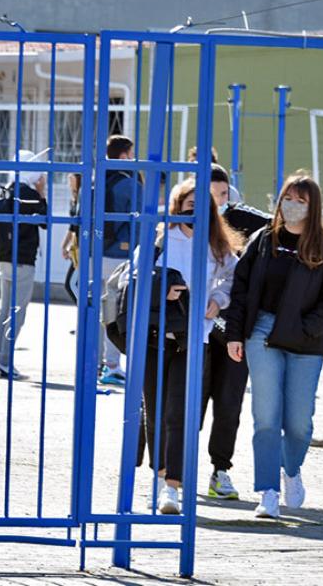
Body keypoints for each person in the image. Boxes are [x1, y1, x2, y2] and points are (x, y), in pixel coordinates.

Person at [226, 171, 323, 519]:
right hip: (261, 334)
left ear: (314, 207)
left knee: (299, 423)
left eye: (301, 201)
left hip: (306, 343)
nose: (292, 206)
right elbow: (240, 289)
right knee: (265, 416)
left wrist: (306, 328)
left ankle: (290, 470)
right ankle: (267, 491)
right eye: (288, 199)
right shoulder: (263, 240)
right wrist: (235, 333)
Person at [141, 178, 239, 515]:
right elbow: (137, 277)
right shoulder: (159, 237)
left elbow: (231, 276)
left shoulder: (217, 244)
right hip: (156, 336)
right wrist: (161, 292)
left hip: (194, 338)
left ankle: (173, 488)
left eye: (200, 204)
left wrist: (218, 297)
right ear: (177, 205)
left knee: (178, 413)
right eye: (187, 202)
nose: (193, 209)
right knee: (154, 411)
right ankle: (161, 475)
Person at [204, 163, 270, 500]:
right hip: (197, 329)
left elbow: (280, 228)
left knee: (229, 404)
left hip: (235, 327)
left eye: (223, 194)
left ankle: (221, 470)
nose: (218, 202)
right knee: (188, 402)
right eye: (211, 195)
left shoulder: (247, 220)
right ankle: (173, 473)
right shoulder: (185, 220)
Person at [0, 150, 48, 380]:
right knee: (17, 313)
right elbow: (46, 220)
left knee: (4, 310)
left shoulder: (5, 190)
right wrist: (41, 193)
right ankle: (6, 361)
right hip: (23, 261)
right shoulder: (28, 193)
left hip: (4, 258)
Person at [100, 135, 142, 386]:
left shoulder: (94, 180)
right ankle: (112, 365)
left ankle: (92, 363)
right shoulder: (129, 183)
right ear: (124, 155)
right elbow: (140, 222)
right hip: (120, 256)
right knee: (114, 313)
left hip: (94, 253)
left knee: (95, 310)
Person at [61, 172, 81, 306]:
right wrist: (64, 245)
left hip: (83, 248)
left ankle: (87, 318)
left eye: (71, 180)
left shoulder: (84, 198)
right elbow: (72, 226)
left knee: (71, 284)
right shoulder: (74, 199)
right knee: (72, 284)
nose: (69, 184)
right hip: (76, 248)